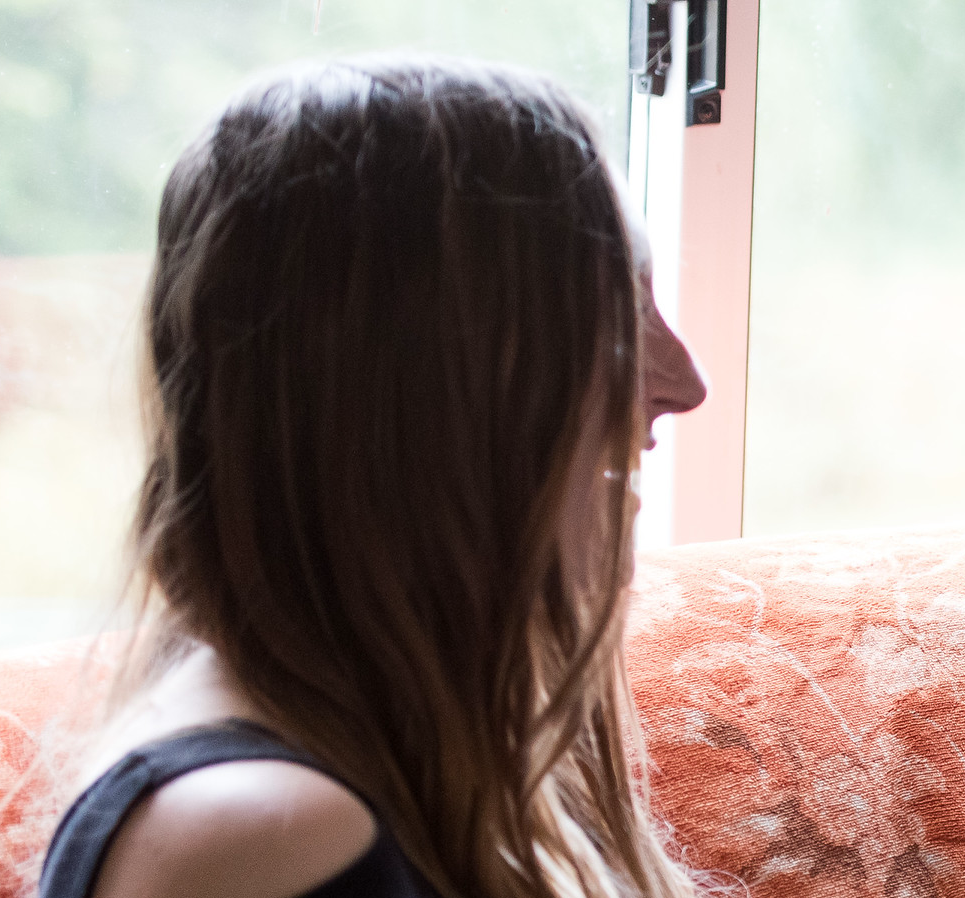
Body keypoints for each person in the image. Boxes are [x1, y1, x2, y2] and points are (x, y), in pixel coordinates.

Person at [38, 57, 708, 898]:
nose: (684, 383)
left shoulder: (346, 759)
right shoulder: (255, 838)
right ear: (429, 395)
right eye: (617, 315)